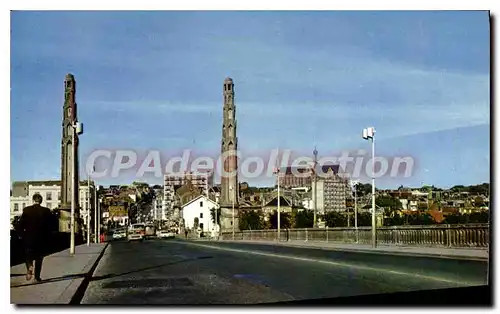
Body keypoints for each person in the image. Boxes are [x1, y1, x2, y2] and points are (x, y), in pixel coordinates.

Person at [18, 193, 54, 282]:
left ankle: (29, 266)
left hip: (29, 238)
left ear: (33, 200)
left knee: (27, 255)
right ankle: (37, 277)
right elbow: (51, 225)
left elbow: (20, 225)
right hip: (42, 238)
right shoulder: (46, 211)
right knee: (39, 258)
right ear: (41, 201)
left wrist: (21, 235)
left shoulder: (26, 210)